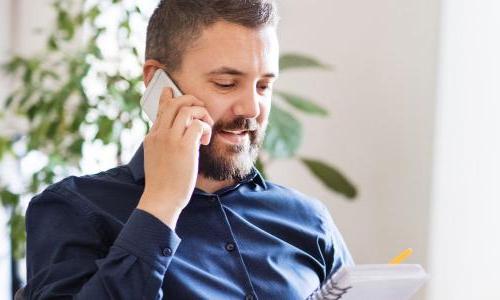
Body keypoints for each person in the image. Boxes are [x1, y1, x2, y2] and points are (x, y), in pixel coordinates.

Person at [24, 0, 353, 299]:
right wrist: (161, 204)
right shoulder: (74, 210)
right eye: (225, 83)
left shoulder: (309, 221)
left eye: (264, 85)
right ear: (159, 82)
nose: (252, 108)